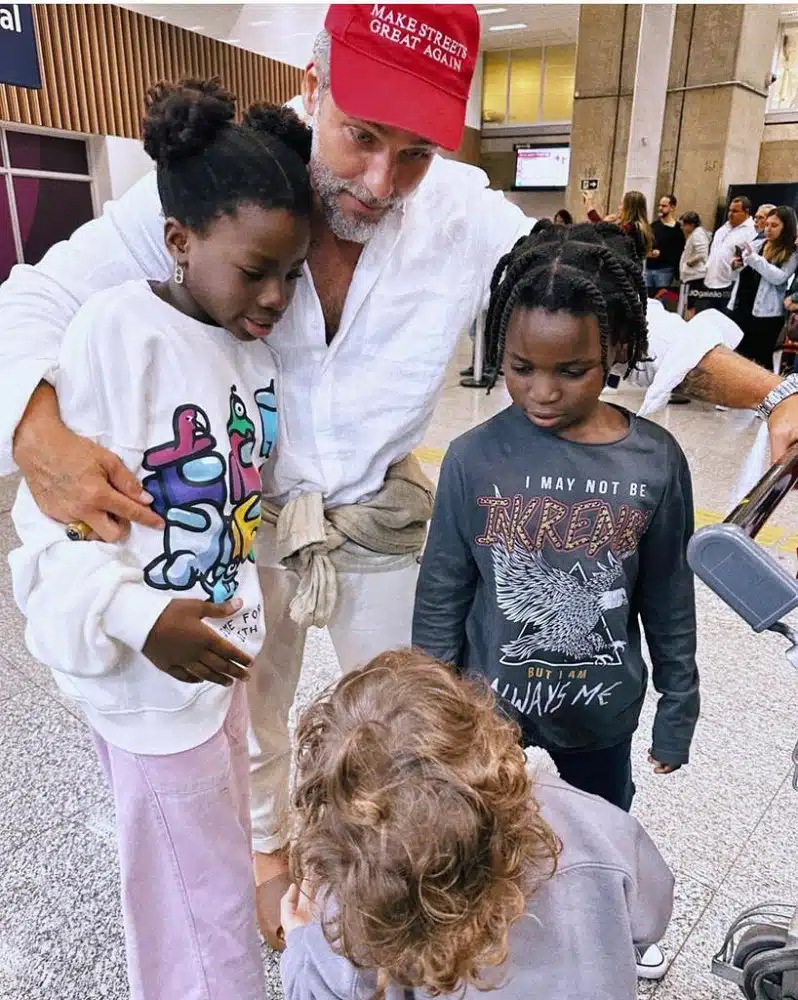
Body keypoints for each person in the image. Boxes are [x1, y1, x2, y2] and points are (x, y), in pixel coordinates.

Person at [3, 1, 798, 944]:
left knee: (423, 717)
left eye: (415, 152)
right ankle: (263, 864)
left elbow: (618, 308)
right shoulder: (236, 180)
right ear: (313, 84)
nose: (381, 181)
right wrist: (34, 432)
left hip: (379, 519)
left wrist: (770, 395)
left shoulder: (460, 212)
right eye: (360, 137)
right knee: (242, 718)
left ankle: (431, 884)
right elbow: (40, 294)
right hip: (237, 517)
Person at [7, 81, 313, 999]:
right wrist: (143, 620)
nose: (276, 296)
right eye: (256, 269)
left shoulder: (250, 350)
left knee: (214, 858)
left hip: (217, 663)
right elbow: (49, 533)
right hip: (147, 678)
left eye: (293, 273)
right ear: (179, 239)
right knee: (191, 900)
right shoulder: (115, 334)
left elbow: (244, 493)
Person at [413, 231, 699, 821]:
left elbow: (669, 593)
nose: (541, 392)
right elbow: (443, 593)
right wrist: (429, 711)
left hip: (601, 718)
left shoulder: (655, 460)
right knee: (490, 854)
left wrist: (678, 707)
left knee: (595, 843)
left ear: (616, 347)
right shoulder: (472, 457)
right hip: (489, 721)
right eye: (521, 367)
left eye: (571, 370)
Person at [279, 651, 675, 999]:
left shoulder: (354, 896)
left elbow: (323, 989)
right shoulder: (592, 823)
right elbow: (650, 917)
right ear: (484, 729)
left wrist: (300, 941)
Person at [729, 206, 798, 371]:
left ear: (786, 227)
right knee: (738, 356)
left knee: (761, 360)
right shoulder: (759, 243)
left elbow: (779, 277)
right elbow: (739, 271)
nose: (768, 229)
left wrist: (754, 259)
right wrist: (736, 265)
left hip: (767, 314)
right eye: (767, 224)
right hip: (743, 307)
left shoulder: (791, 252)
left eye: (774, 226)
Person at [695, 196, 756, 314]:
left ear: (746, 212)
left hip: (728, 285)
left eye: (735, 211)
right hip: (710, 283)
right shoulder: (722, 229)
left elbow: (747, 259)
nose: (730, 214)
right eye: (730, 210)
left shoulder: (751, 231)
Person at [584, 188, 653, 262]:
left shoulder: (633, 227)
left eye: (621, 204)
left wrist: (590, 207)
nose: (619, 208)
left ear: (629, 208)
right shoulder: (637, 226)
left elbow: (607, 236)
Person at [646, 194, 685, 297]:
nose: (660, 208)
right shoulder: (654, 226)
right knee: (645, 300)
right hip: (649, 268)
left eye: (664, 206)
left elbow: (678, 252)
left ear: (672, 208)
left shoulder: (677, 229)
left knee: (660, 301)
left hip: (664, 270)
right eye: (659, 205)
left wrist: (661, 254)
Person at [678, 211, 710, 319]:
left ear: (691, 224)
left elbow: (702, 254)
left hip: (695, 277)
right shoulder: (696, 234)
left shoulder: (698, 234)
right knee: (688, 304)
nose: (682, 228)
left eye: (683, 225)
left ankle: (688, 325)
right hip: (692, 276)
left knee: (690, 305)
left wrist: (689, 262)